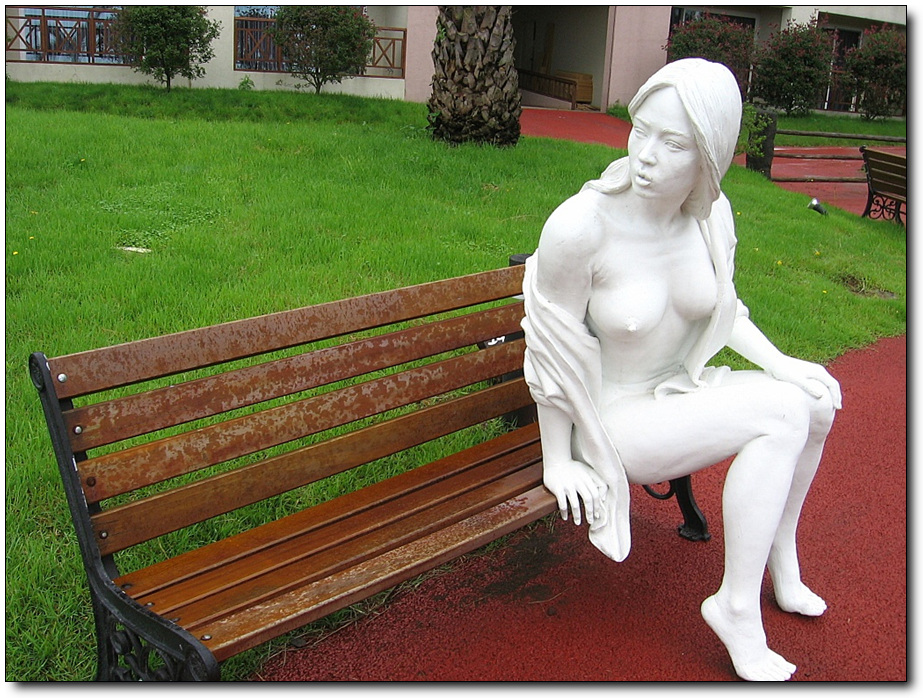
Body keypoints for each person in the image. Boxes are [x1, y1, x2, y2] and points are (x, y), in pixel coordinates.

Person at [520, 58, 842, 682]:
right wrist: (557, 461)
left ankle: (780, 555)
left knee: (816, 402)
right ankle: (734, 609)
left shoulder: (709, 217)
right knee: (781, 413)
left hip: (679, 388)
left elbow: (724, 309)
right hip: (613, 419)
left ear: (709, 159)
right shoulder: (580, 228)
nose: (644, 155)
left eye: (672, 144)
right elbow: (550, 348)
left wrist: (783, 363)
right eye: (640, 130)